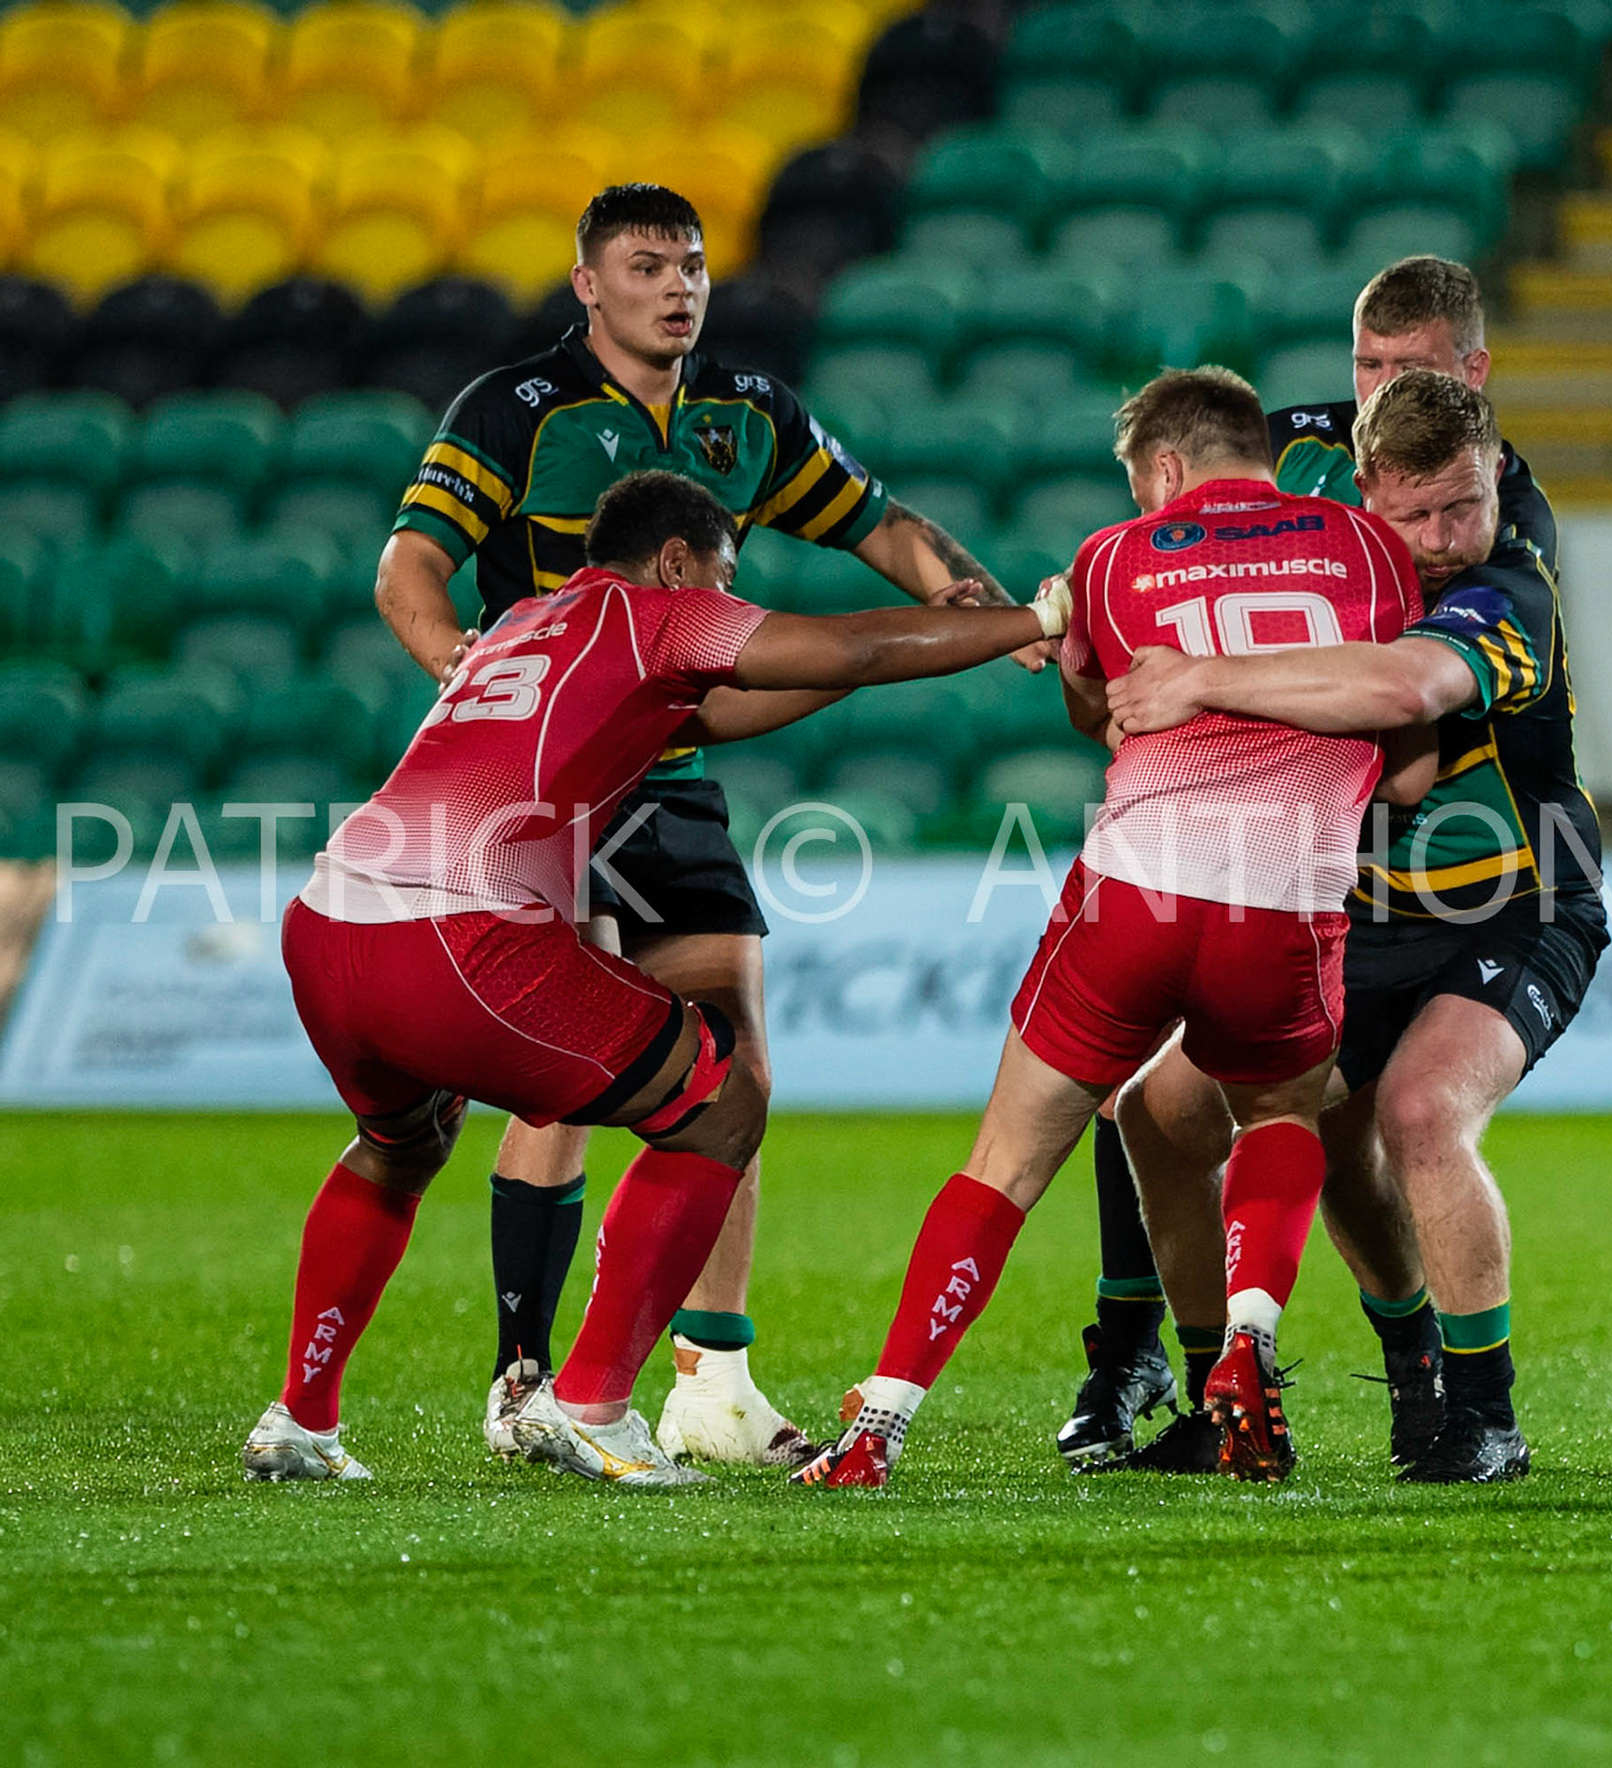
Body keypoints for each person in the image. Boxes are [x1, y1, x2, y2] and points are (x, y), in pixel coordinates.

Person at [375, 182, 1034, 1468]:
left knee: (734, 1069)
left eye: (690, 264)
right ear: (586, 283)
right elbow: (408, 566)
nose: (676, 286)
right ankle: (522, 1373)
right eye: (644, 265)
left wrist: (981, 610)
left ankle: (713, 1378)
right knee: (569, 1078)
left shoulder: (748, 415)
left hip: (671, 778)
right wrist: (467, 672)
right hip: (554, 789)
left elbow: (879, 527)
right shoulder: (517, 412)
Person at [243, 470, 1071, 1487]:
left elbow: (721, 712)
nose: (728, 602)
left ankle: (302, 1420)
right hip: (456, 934)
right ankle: (591, 1404)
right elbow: (845, 642)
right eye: (724, 579)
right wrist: (1031, 616)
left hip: (327, 922)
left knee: (398, 1144)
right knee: (721, 1101)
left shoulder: (525, 622)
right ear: (679, 561)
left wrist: (890, 656)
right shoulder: (661, 613)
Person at [790, 368, 1433, 1489]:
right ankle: (1249, 1344)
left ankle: (880, 1421)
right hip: (1282, 891)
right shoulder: (1373, 546)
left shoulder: (1110, 558)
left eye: (1140, 481)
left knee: (1005, 1159)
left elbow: (1105, 714)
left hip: (1136, 882)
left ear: (1169, 468)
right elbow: (1413, 748)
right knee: (1280, 1110)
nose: (1139, 499)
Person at [1067, 254, 1566, 1479]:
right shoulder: (1314, 476)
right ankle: (1212, 1383)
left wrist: (1199, 676)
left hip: (1511, 898)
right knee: (1162, 1120)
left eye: (1463, 502)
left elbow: (1405, 690)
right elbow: (1179, 512)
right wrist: (1085, 613)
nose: (1447, 536)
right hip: (1351, 906)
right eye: (1369, 372)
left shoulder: (1512, 571)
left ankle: (1484, 1413)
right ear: (1364, 486)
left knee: (1414, 1113)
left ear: (1482, 410)